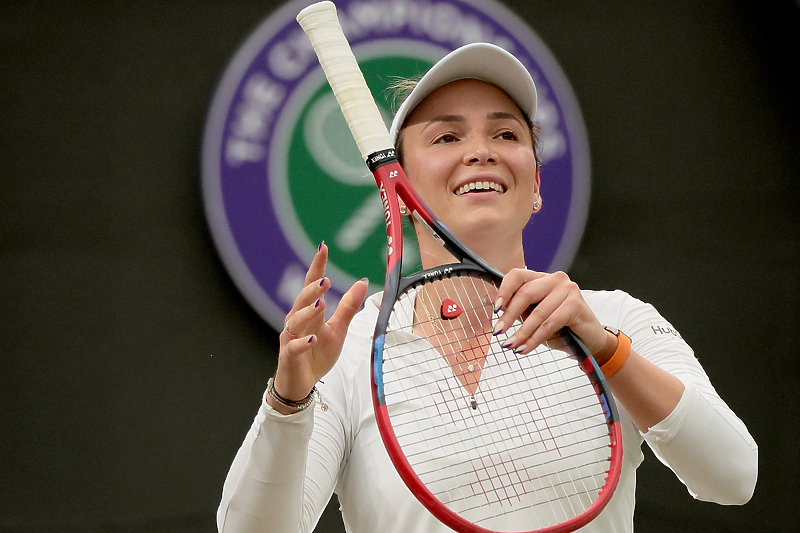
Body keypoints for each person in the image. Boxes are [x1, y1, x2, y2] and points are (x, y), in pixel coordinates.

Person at [217, 43, 757, 533]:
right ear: (398, 189)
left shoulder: (617, 320)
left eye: (505, 134)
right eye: (448, 137)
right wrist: (290, 401)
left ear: (537, 184)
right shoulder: (354, 351)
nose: (481, 151)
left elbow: (734, 477)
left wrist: (607, 350)